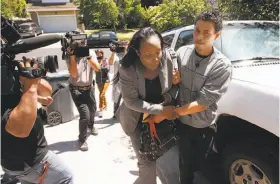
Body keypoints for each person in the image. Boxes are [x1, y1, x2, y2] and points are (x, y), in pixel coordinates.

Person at [173, 10, 232, 184]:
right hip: (182, 125)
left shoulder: (222, 66)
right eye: (197, 30)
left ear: (217, 35)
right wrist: (174, 77)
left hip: (203, 127)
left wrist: (172, 112)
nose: (199, 36)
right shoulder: (182, 52)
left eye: (207, 32)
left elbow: (202, 103)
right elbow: (170, 79)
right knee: (185, 165)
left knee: (203, 165)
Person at [115, 27, 178, 184]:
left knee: (166, 158)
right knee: (148, 165)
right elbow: (130, 101)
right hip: (136, 121)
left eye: (158, 52)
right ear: (138, 53)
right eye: (148, 55)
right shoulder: (127, 68)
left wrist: (167, 100)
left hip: (162, 121)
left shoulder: (170, 58)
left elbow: (176, 86)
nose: (155, 59)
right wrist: (161, 110)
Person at [1, 59, 74, 183]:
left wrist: (33, 78)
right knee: (65, 177)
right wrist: (30, 88)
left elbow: (47, 90)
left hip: (15, 163)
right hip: (30, 161)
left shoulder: (8, 85)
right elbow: (20, 130)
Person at [67, 39, 99, 151]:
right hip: (76, 90)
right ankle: (82, 139)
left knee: (93, 110)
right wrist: (72, 57)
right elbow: (74, 74)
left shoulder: (90, 53)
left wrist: (88, 57)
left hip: (89, 88)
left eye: (83, 45)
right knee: (84, 115)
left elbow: (97, 68)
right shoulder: (70, 55)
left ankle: (91, 125)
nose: (81, 49)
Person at [109, 40, 129, 118]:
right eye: (121, 45)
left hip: (128, 81)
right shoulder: (116, 55)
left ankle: (127, 114)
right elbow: (110, 62)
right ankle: (115, 113)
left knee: (128, 99)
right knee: (116, 99)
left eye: (125, 44)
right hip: (118, 81)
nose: (123, 46)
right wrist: (113, 52)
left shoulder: (130, 55)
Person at [95, 49, 110, 118]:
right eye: (97, 53)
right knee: (102, 93)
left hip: (106, 80)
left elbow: (108, 70)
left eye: (99, 53)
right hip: (98, 80)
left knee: (101, 94)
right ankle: (105, 105)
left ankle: (100, 110)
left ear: (102, 53)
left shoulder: (105, 60)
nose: (98, 54)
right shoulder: (94, 61)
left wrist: (103, 65)